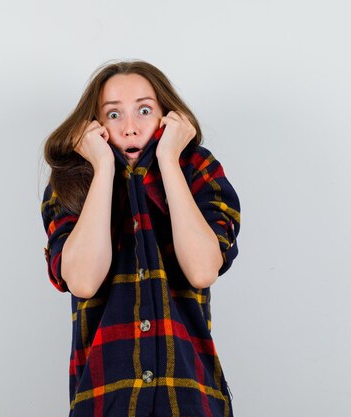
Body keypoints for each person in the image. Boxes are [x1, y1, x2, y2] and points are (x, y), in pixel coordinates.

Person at [40, 60, 241, 417]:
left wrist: (168, 158)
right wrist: (103, 168)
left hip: (190, 399)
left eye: (144, 110)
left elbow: (202, 270)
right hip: (104, 401)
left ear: (167, 118)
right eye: (113, 115)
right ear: (95, 126)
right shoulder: (71, 185)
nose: (130, 128)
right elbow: (83, 281)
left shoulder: (198, 171)